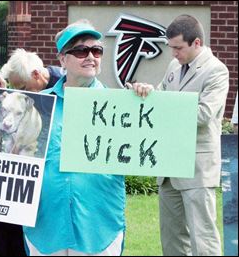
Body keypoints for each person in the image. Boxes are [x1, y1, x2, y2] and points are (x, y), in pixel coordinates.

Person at [127, 14, 229, 256]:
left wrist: (161, 106)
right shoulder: (174, 66)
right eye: (170, 47)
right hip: (169, 166)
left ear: (196, 43)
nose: (173, 53)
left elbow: (203, 115)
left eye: (178, 47)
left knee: (202, 238)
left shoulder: (216, 71)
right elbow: (161, 95)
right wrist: (147, 92)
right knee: (171, 239)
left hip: (196, 167)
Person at [23, 20, 126, 256]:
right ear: (62, 59)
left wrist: (145, 97)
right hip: (44, 224)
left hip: (99, 225)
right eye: (81, 51)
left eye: (96, 50)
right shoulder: (37, 104)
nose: (90, 56)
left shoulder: (120, 107)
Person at [0, 48, 64, 94]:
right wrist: (2, 92)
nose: (20, 94)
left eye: (23, 88)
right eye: (14, 89)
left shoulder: (65, 81)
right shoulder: (34, 90)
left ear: (36, 74)